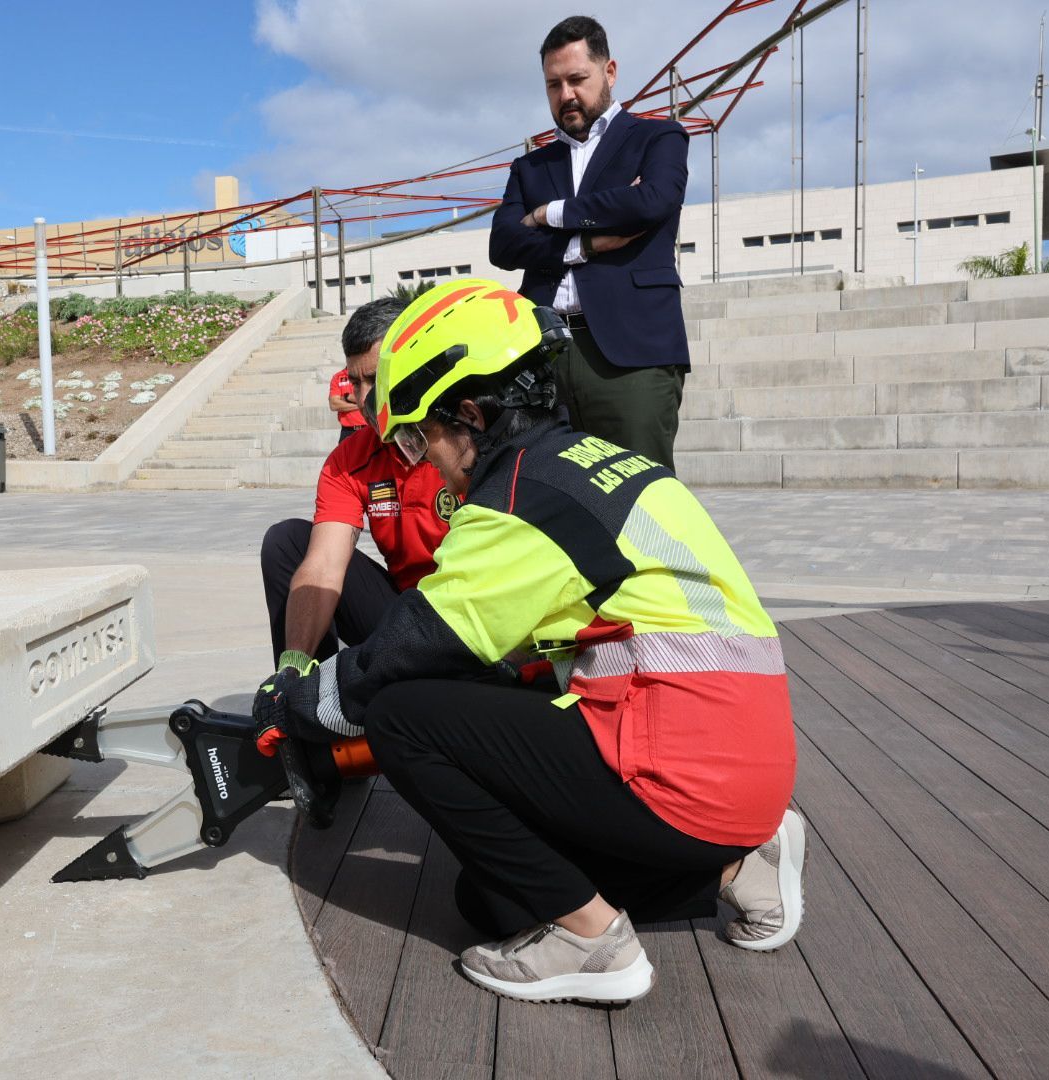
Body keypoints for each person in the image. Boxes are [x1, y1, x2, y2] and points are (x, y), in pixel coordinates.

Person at [255, 280, 801, 1006]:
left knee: (402, 715)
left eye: (422, 436)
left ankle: (595, 946)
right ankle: (739, 868)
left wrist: (290, 706)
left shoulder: (517, 500)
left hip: (677, 774)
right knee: (492, 901)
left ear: (473, 414)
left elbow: (406, 650)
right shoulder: (607, 465)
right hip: (741, 768)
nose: (423, 459)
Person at [490, 15, 692, 473]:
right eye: (553, 85)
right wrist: (585, 245)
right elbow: (503, 244)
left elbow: (651, 202)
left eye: (577, 79)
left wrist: (549, 214)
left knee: (642, 500)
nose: (566, 95)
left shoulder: (658, 137)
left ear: (610, 71)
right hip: (543, 354)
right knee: (550, 503)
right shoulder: (531, 167)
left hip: (631, 356)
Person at [260, 297, 456, 675]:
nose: (363, 398)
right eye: (355, 380)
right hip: (405, 616)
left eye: (376, 379)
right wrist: (292, 668)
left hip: (471, 620)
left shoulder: (464, 442)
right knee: (287, 541)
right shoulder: (348, 460)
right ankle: (311, 701)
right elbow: (323, 567)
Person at [329, 365, 367, 443]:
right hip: (347, 431)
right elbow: (333, 404)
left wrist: (347, 397)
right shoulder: (338, 377)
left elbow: (368, 397)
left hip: (367, 429)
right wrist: (359, 405)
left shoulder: (366, 375)